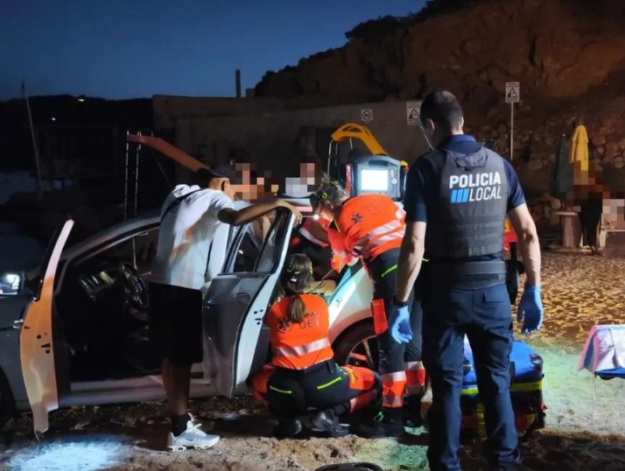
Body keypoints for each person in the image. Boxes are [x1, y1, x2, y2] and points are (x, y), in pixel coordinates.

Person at [388, 90, 544, 471]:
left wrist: (401, 302)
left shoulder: (426, 168)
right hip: (495, 290)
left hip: (446, 293)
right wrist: (533, 289)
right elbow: (528, 233)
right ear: (463, 119)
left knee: (448, 390)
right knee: (497, 385)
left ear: (432, 126)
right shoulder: (500, 166)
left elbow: (415, 242)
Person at [151, 168, 302, 451]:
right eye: (234, 191)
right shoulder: (214, 196)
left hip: (160, 284)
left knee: (171, 359)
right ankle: (181, 431)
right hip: (182, 288)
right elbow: (234, 218)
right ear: (223, 183)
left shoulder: (178, 195)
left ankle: (179, 420)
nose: (232, 197)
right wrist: (280, 204)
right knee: (181, 360)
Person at [310, 179, 425, 438]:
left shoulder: (337, 223)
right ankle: (413, 410)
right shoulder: (381, 199)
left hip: (390, 270)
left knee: (390, 345)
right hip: (420, 265)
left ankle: (392, 416)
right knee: (414, 342)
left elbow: (346, 259)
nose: (322, 218)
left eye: (321, 213)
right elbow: (408, 223)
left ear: (328, 204)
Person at [254, 254, 380, 438]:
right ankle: (330, 414)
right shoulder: (320, 304)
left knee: (258, 381)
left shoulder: (273, 311)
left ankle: (288, 419)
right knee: (374, 380)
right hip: (325, 384)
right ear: (309, 278)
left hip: (287, 389)